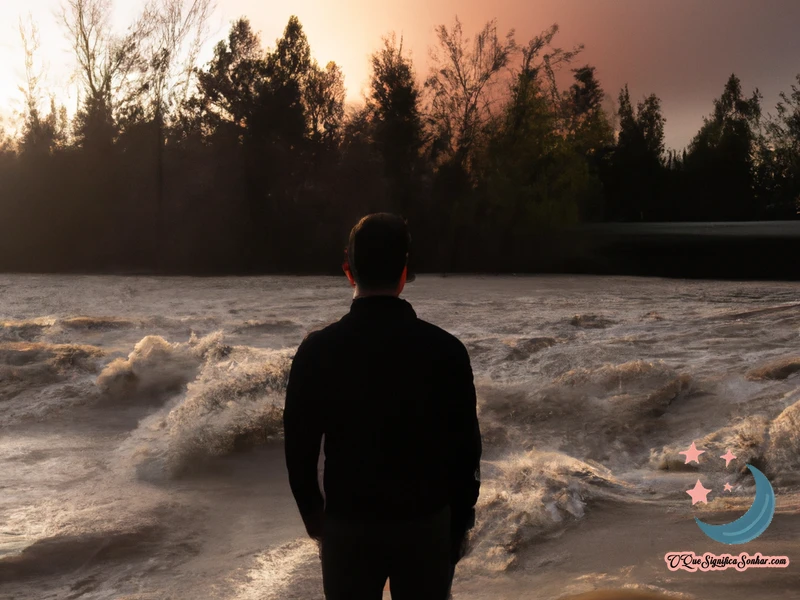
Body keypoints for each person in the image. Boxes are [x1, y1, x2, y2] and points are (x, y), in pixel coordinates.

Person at [283, 213, 482, 600]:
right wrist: (458, 523)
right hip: (426, 524)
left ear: (348, 271)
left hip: (348, 523)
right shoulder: (445, 351)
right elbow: (466, 448)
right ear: (404, 273)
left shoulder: (317, 351)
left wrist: (314, 515)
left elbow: (299, 446)